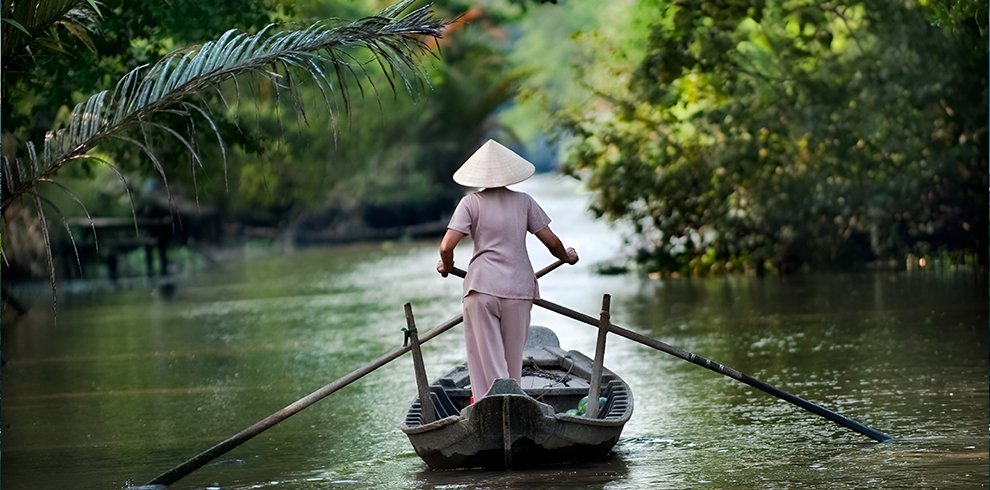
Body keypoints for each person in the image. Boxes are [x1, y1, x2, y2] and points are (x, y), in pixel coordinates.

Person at [436, 139, 579, 402]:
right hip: (518, 290)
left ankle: (488, 405)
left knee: (485, 359)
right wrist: (566, 257)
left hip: (481, 288)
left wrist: (446, 264)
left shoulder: (470, 203)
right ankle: (513, 403)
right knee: (512, 362)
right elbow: (552, 243)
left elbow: (447, 246)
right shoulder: (524, 201)